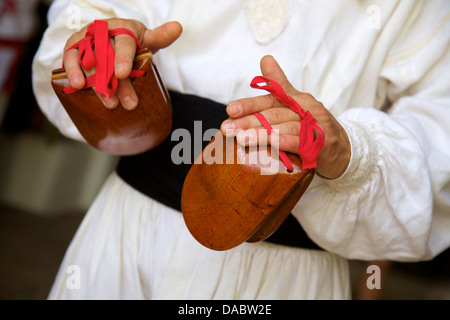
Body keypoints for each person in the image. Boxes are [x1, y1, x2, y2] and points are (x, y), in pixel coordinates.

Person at [32, 0, 450, 299]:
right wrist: (98, 51)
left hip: (287, 278)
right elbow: (85, 15)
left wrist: (348, 155)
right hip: (127, 237)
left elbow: (439, 143)